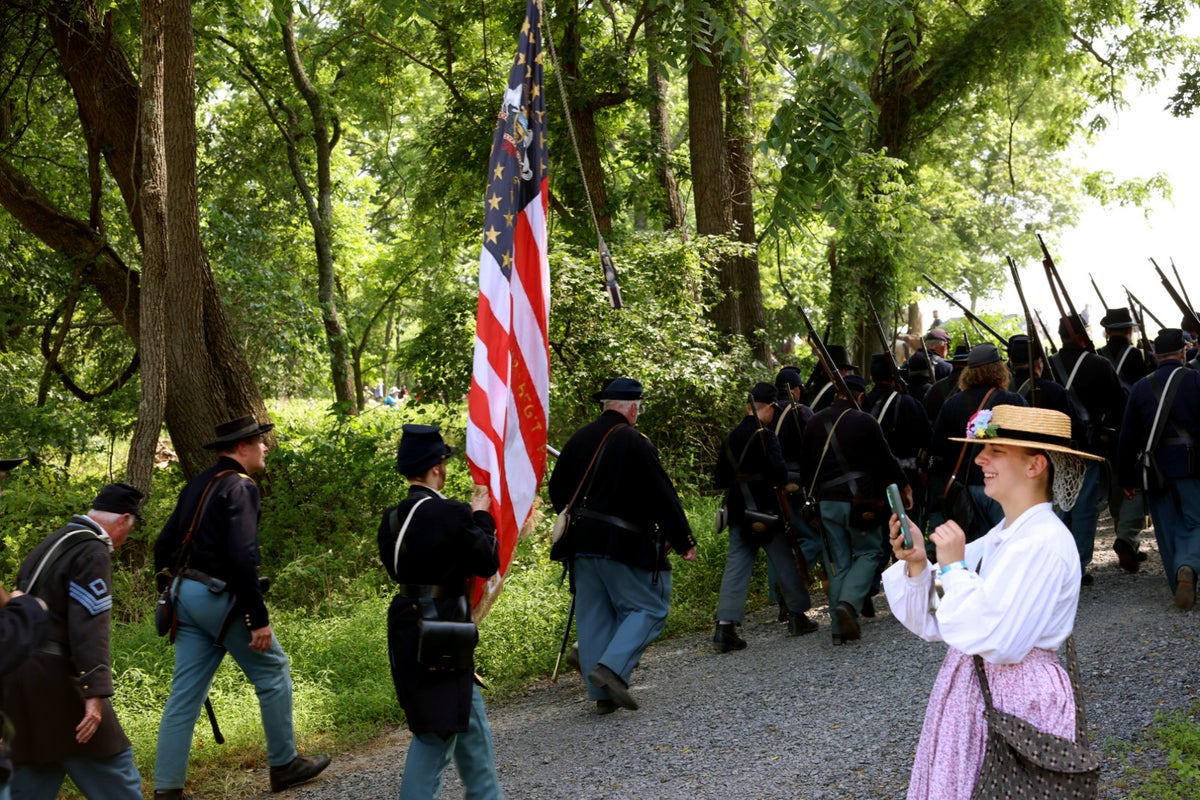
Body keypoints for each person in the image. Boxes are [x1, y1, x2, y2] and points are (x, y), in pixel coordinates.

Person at [883, 404, 1101, 799]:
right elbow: (941, 619)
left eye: (996, 451)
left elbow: (1001, 641)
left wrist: (952, 568)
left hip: (1019, 696)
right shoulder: (1001, 537)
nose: (980, 459)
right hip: (976, 688)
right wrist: (920, 564)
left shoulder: (1044, 543)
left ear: (1035, 466)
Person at [152, 416, 329, 798]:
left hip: (184, 594)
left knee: (184, 695)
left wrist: (170, 589)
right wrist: (257, 618)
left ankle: (167, 789)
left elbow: (162, 546)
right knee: (273, 672)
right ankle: (284, 765)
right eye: (260, 442)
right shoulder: (241, 486)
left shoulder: (199, 483)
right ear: (241, 447)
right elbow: (243, 557)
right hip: (219, 598)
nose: (266, 447)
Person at [548, 378, 696, 713]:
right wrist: (683, 537)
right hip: (622, 542)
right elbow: (661, 492)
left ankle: (601, 695)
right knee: (649, 607)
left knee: (596, 616)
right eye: (638, 407)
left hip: (579, 545)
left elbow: (557, 492)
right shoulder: (634, 441)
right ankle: (612, 669)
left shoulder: (577, 439)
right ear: (632, 407)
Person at [379, 424, 503, 799]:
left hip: (410, 621)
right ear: (437, 467)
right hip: (441, 628)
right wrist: (481, 515)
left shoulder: (392, 518)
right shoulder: (450, 512)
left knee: (469, 719)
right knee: (434, 735)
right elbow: (487, 560)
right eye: (444, 462)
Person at [2, 483, 145, 800]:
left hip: (20, 677)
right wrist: (94, 693)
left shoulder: (53, 541)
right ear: (123, 519)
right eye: (130, 529)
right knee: (114, 771)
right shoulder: (92, 551)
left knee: (33, 776)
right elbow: (90, 626)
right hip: (58, 682)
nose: (125, 540)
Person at [800, 374, 911, 644]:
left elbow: (805, 467)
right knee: (870, 552)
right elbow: (886, 461)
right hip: (860, 502)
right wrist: (904, 487)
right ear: (860, 396)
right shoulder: (864, 421)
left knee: (837, 563)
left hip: (826, 501)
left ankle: (839, 629)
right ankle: (848, 604)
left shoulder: (814, 421)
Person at [712, 382, 817, 652]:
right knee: (784, 562)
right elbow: (780, 474)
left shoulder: (731, 436)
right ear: (769, 407)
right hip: (767, 512)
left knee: (736, 568)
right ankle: (797, 617)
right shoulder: (766, 435)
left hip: (739, 512)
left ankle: (724, 628)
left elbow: (720, 478)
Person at [1117, 329, 1200, 610]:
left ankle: (1178, 584)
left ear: (1154, 355)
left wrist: (1126, 478)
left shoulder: (1141, 387)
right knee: (1196, 522)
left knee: (1165, 528)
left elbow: (1127, 438)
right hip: (1192, 465)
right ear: (1184, 352)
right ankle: (1187, 565)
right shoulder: (1196, 381)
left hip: (1154, 469)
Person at [1049, 313, 1125, 584]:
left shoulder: (1048, 366)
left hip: (1050, 447)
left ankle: (1056, 562)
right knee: (1083, 508)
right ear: (1083, 335)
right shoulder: (1099, 365)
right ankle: (1077, 565)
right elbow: (1118, 404)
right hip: (1087, 446)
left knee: (1056, 505)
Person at [928, 344, 1026, 536]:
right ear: (999, 369)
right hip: (1005, 486)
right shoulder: (1014, 401)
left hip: (965, 488)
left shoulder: (951, 404)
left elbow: (938, 448)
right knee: (1007, 544)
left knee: (972, 549)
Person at [1096, 309, 1154, 572]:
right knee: (1135, 483)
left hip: (1102, 431)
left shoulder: (1096, 357)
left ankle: (1126, 538)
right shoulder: (1139, 356)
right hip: (1133, 429)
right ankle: (1128, 540)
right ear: (1130, 330)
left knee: (1115, 487)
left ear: (1107, 331)